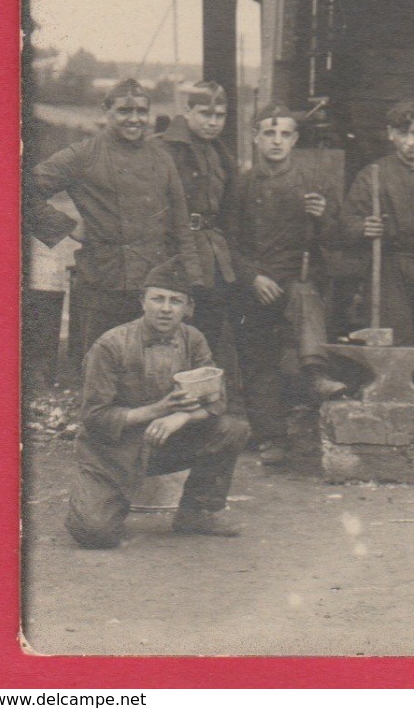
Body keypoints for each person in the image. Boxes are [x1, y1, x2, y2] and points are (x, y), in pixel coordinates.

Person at [65, 255, 251, 549]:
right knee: (95, 533)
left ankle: (197, 512)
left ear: (188, 308)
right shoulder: (111, 344)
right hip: (113, 451)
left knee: (232, 428)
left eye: (175, 301)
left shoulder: (194, 340)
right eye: (157, 299)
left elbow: (217, 400)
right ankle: (104, 498)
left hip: (167, 442)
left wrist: (179, 417)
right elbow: (94, 417)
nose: (165, 309)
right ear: (142, 302)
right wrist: (156, 410)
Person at [28, 79, 204, 376]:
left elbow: (180, 225)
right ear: (107, 111)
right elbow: (18, 189)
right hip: (102, 282)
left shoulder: (162, 159)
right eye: (124, 110)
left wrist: (192, 282)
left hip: (152, 284)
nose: (134, 119)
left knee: (151, 372)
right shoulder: (84, 154)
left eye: (141, 111)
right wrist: (67, 225)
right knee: (101, 371)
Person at [223, 103, 342, 466]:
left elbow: (335, 237)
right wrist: (252, 277)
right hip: (254, 285)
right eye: (269, 134)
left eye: (285, 134)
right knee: (258, 360)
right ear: (256, 138)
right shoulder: (241, 184)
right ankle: (270, 438)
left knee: (305, 294)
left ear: (295, 139)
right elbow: (225, 241)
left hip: (295, 281)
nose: (277, 141)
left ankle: (315, 372)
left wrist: (322, 218)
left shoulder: (312, 182)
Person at [340, 98, 414, 409]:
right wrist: (365, 227)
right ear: (391, 134)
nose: (410, 142)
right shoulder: (374, 174)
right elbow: (346, 223)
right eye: (403, 134)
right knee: (398, 340)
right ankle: (395, 414)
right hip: (391, 268)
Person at [157, 81, 241, 400]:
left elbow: (229, 213)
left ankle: (198, 402)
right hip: (173, 251)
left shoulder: (221, 154)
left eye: (220, 115)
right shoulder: (164, 150)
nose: (213, 121)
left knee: (206, 330)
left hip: (212, 253)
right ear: (186, 111)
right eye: (205, 113)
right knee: (171, 328)